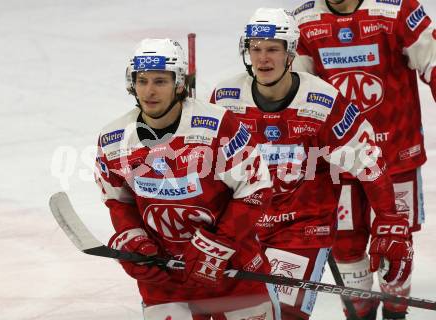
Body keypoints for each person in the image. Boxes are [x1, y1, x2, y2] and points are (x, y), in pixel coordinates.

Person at [210, 7, 413, 320]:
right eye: (256, 49)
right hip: (242, 227)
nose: (263, 59)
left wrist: (389, 220)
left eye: (273, 50)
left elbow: (368, 161)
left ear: (291, 53)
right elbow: (206, 170)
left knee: (281, 315)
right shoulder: (225, 99)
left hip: (302, 228)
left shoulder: (323, 100)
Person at [94, 38, 278, 319]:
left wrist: (218, 244)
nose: (149, 91)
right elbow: (118, 202)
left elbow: (256, 187)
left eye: (160, 81)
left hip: (233, 273)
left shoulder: (218, 125)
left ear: (179, 84)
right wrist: (134, 240)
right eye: (142, 81)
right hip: (165, 282)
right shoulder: (113, 139)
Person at [293, 0, 436, 319]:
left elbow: (433, 59)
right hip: (338, 162)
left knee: (396, 245)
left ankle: (396, 314)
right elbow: (295, 92)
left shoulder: (398, 9)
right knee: (346, 250)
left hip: (395, 158)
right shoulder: (303, 21)